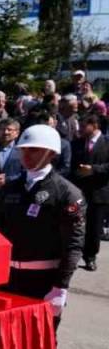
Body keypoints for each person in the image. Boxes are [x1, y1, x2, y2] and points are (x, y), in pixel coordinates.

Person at [0, 125, 84, 328]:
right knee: (6, 342)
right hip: (7, 280)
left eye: (33, 150)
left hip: (43, 282)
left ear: (51, 153)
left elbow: (73, 245)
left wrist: (61, 286)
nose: (26, 155)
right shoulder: (9, 188)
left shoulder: (66, 193)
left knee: (42, 345)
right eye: (23, 149)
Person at [70, 115, 108, 271]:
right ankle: (74, 254)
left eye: (84, 126)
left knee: (94, 227)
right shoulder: (77, 143)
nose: (80, 129)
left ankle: (90, 257)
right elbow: (70, 165)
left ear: (95, 125)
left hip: (99, 192)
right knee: (76, 225)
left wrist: (93, 170)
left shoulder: (106, 143)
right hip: (79, 191)